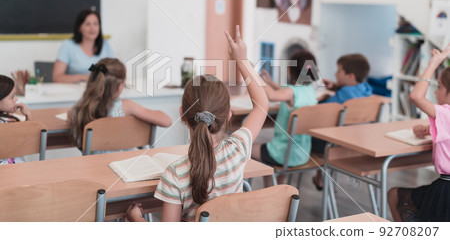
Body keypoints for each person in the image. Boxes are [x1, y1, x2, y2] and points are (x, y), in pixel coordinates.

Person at [126, 25, 269, 222]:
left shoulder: (175, 175)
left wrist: (136, 219)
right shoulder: (238, 149)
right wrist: (241, 60)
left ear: (182, 116)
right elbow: (262, 104)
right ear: (228, 114)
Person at [388, 44, 450, 222]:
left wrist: (434, 63)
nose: (436, 92)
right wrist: (427, 128)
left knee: (394, 195)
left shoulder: (446, 113)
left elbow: (415, 96)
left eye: (439, 87)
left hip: (445, 191)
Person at [69, 58, 172, 150]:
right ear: (120, 86)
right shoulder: (125, 107)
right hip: (124, 167)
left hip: (92, 169)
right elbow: (167, 121)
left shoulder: (77, 111)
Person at [252, 50, 318, 185]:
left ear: (289, 71)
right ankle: (279, 185)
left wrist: (252, 75)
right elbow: (285, 92)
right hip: (303, 154)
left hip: (284, 154)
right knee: (267, 157)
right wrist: (270, 82)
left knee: (247, 149)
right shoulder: (311, 91)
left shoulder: (291, 92)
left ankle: (270, 191)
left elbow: (272, 96)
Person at [311, 53, 372, 190]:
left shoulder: (343, 95)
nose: (335, 73)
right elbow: (351, 92)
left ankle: (318, 177)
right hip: (359, 142)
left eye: (339, 71)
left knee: (307, 133)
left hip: (336, 146)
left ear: (350, 76)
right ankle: (320, 177)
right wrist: (336, 87)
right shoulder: (366, 89)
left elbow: (321, 110)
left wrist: (323, 99)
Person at [53, 9, 115, 83]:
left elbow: (114, 71)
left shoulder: (105, 44)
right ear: (79, 28)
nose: (92, 28)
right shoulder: (68, 45)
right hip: (74, 90)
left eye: (95, 24)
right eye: (88, 24)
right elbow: (56, 77)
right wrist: (83, 77)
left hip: (101, 89)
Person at [0, 75, 32, 165]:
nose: (16, 99)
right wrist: (28, 115)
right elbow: (28, 141)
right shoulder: (7, 123)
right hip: (11, 169)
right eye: (12, 97)